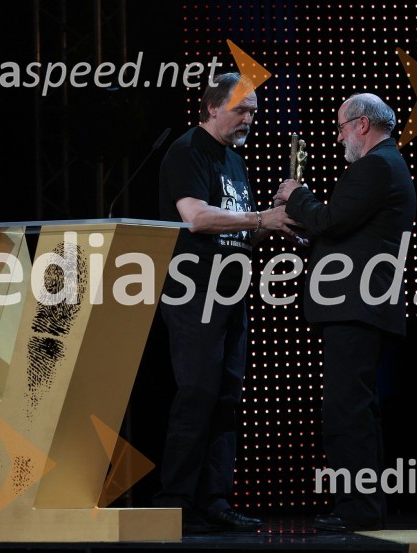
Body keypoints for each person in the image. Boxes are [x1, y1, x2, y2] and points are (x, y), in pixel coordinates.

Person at [154, 72, 298, 533]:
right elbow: (196, 218)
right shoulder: (188, 150)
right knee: (196, 393)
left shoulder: (234, 160)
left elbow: (238, 232)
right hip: (194, 289)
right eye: (242, 109)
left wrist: (274, 222)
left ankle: (214, 498)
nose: (249, 118)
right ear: (212, 106)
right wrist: (260, 216)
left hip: (231, 291)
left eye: (254, 110)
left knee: (226, 398)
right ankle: (174, 501)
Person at [273, 93, 417, 532]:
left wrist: (297, 196)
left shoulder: (377, 166)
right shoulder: (385, 166)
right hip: (359, 307)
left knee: (346, 410)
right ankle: (362, 505)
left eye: (340, 128)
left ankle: (358, 507)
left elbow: (333, 219)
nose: (338, 139)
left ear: (361, 125)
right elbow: (344, 231)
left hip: (357, 306)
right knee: (355, 408)